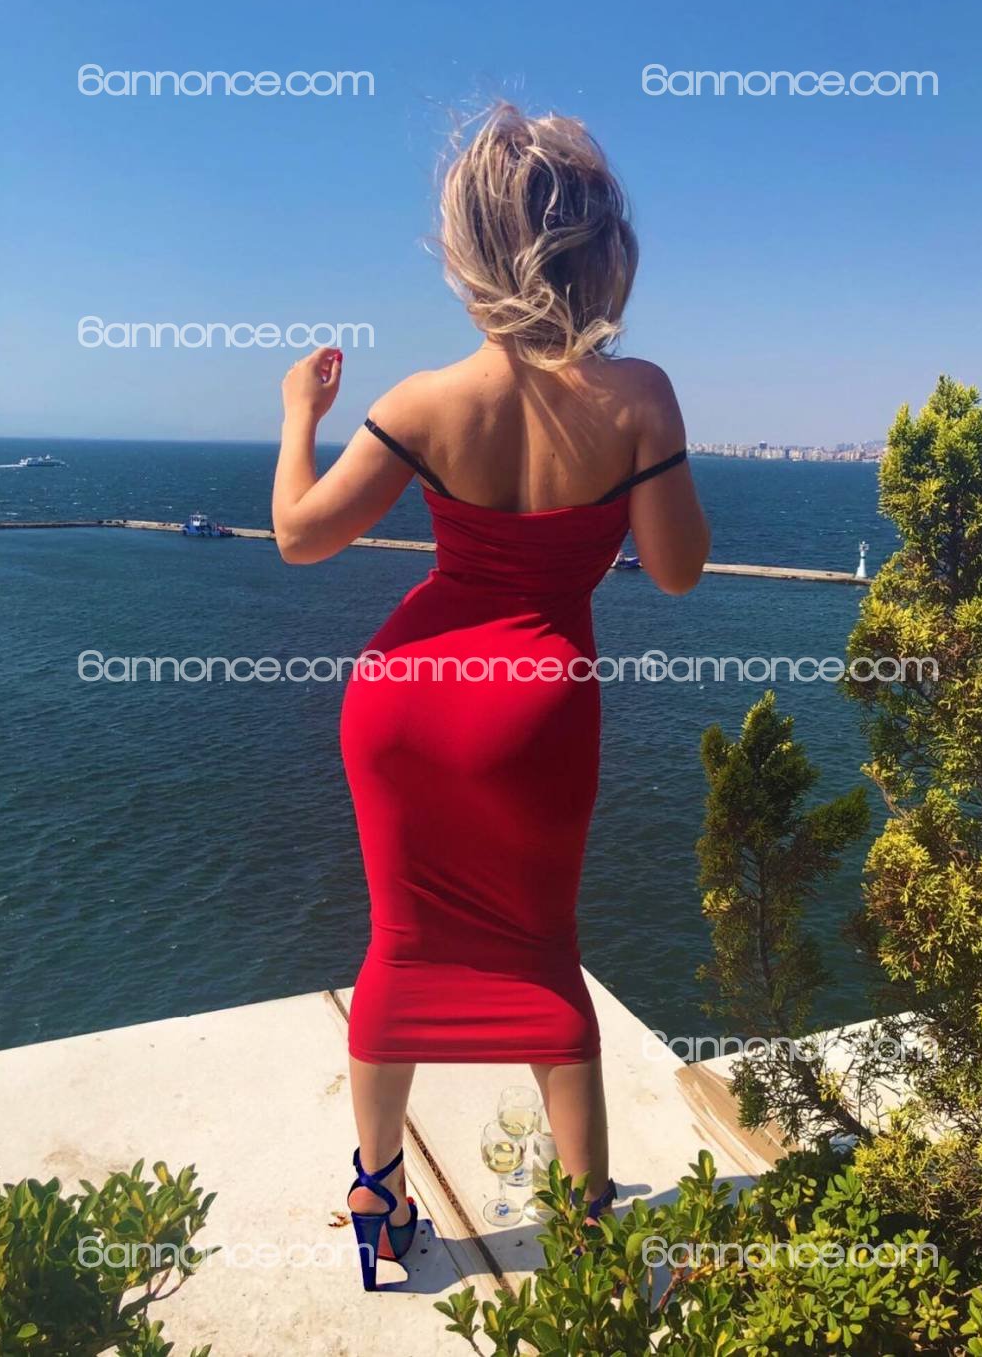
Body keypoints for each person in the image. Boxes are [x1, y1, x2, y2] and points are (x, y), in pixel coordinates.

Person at [272, 103, 711, 1291]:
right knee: (540, 955)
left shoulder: (423, 401)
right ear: (603, 248)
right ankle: (585, 1232)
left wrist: (298, 415)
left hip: (402, 703)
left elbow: (299, 535)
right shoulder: (641, 396)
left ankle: (376, 1206)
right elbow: (676, 570)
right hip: (539, 710)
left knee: (398, 945)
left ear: (465, 253)